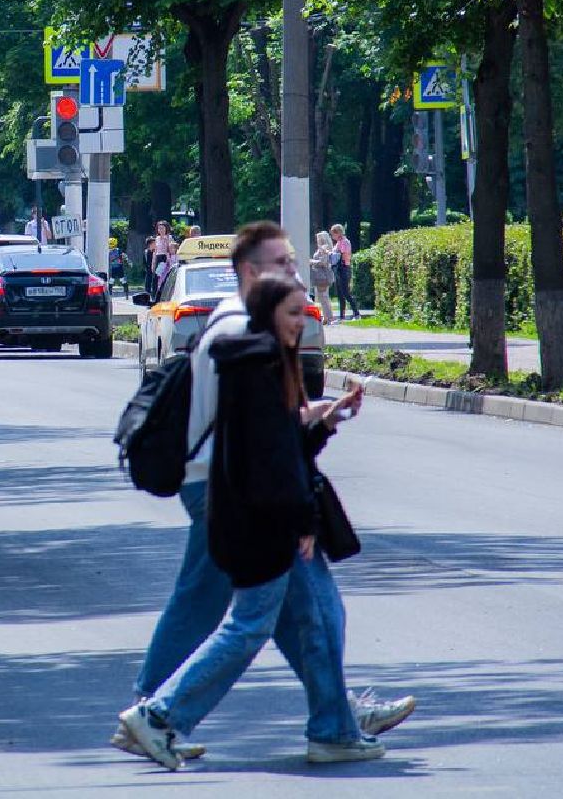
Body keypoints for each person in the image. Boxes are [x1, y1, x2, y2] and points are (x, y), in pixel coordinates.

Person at [113, 222, 414, 766]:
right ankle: (162, 713)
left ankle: (334, 715)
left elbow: (265, 425)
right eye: (283, 265)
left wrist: (316, 417)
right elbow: (258, 435)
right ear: (251, 273)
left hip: (228, 488)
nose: (295, 276)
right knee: (291, 613)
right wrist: (297, 513)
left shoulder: (248, 333)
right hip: (235, 492)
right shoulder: (241, 337)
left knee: (245, 606)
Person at [330, 223, 362, 320]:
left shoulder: (345, 242)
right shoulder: (339, 243)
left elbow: (343, 254)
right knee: (340, 294)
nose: (332, 236)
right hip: (339, 269)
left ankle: (357, 313)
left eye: (333, 234)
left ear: (338, 233)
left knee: (346, 293)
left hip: (344, 268)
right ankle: (342, 316)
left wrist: (331, 253)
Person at [310, 231, 337, 324]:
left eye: (319, 238)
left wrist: (311, 261)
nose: (317, 240)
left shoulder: (324, 248)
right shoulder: (324, 248)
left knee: (324, 298)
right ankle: (326, 318)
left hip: (323, 276)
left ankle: (329, 318)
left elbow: (323, 262)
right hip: (321, 276)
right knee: (323, 298)